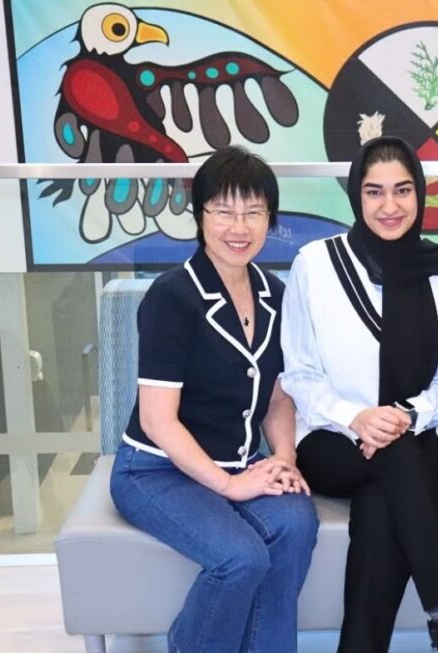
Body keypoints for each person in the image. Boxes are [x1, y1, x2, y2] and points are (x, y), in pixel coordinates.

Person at [109, 145, 319, 653]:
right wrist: (230, 484)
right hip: (156, 471)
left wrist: (285, 460)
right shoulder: (172, 296)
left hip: (239, 461)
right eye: (223, 211)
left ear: (271, 218)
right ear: (199, 216)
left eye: (253, 212)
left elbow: (277, 396)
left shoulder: (274, 294)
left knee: (296, 521)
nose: (238, 226)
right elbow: (160, 421)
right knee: (241, 558)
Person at [281, 136, 438, 653]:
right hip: (333, 437)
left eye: (402, 191)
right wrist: (357, 418)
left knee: (380, 502)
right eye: (374, 192)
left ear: (420, 196)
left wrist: (402, 417)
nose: (389, 206)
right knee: (395, 466)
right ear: (356, 196)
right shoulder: (315, 265)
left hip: (430, 434)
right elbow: (299, 374)